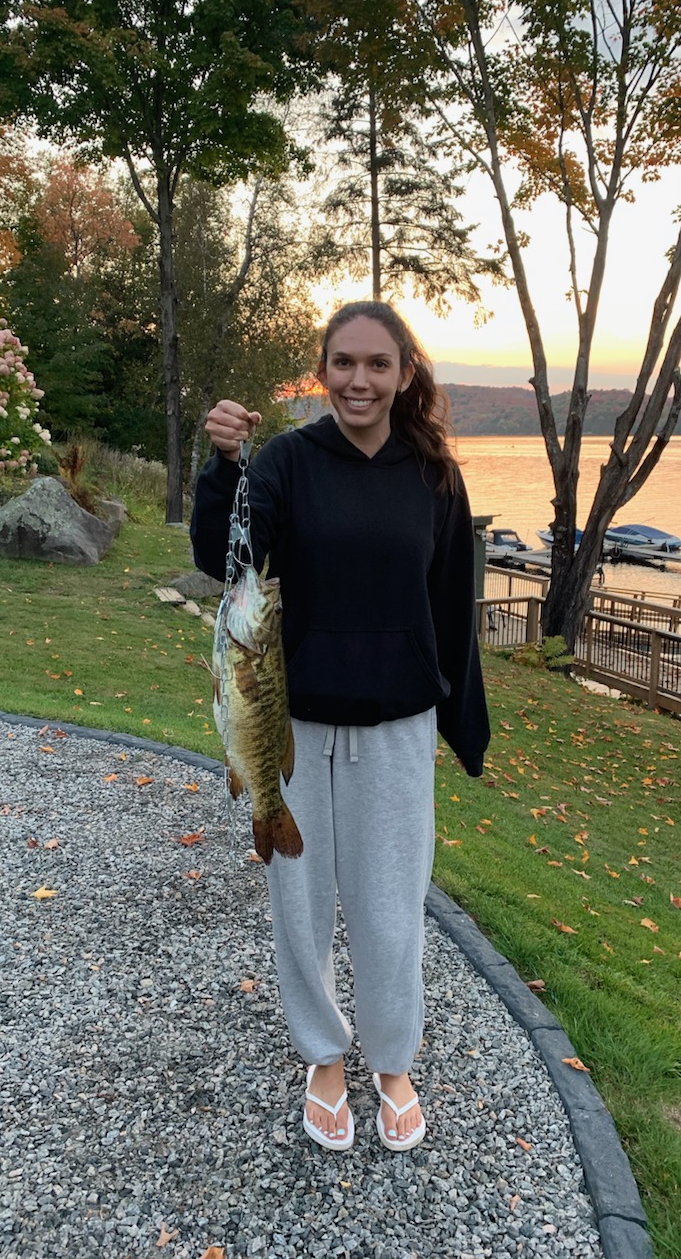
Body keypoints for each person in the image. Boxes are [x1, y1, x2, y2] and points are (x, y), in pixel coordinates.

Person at [191, 300, 490, 1152]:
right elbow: (227, 561)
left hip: (397, 723)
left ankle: (393, 1063)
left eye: (378, 364)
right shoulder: (286, 461)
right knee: (303, 903)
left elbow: (451, 606)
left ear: (403, 373)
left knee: (392, 907)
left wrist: (463, 721)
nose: (359, 380)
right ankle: (325, 1056)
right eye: (344, 363)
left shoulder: (432, 474)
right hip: (294, 723)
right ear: (322, 370)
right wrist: (223, 468)